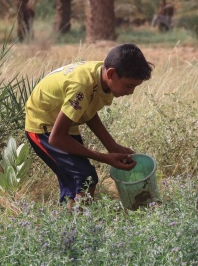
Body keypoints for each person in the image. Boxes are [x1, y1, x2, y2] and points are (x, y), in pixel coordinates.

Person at [25, 43, 154, 209]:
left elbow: (89, 111)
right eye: (129, 85)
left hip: (64, 127)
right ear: (112, 74)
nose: (131, 92)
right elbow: (56, 138)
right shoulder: (83, 85)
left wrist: (112, 146)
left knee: (77, 180)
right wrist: (104, 157)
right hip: (43, 127)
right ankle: (79, 227)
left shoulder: (102, 78)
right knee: (85, 177)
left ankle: (69, 227)